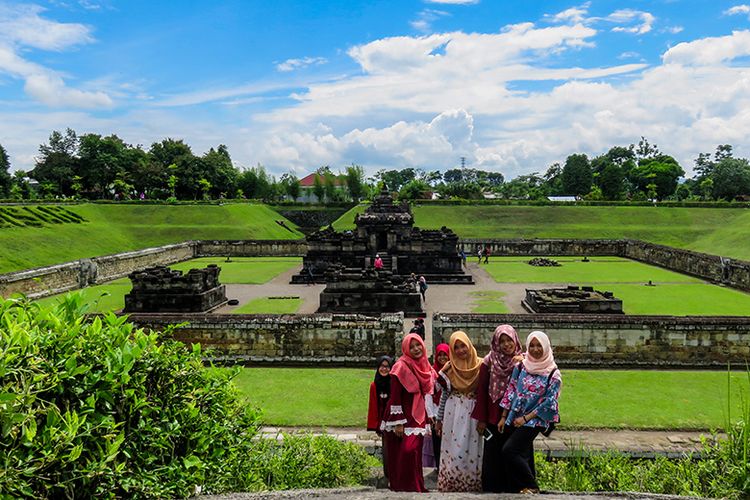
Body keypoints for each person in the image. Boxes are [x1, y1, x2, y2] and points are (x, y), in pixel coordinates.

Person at [499, 331, 562, 494]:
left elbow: (550, 401)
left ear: (546, 347)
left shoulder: (553, 373)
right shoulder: (522, 365)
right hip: (515, 415)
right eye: (532, 345)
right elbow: (511, 389)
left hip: (535, 420)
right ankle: (519, 489)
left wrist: (525, 419)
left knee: (510, 450)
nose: (535, 349)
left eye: (539, 345)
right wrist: (503, 416)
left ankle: (532, 486)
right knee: (523, 453)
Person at [472, 325, 523, 492]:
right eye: (502, 342)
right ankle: (492, 490)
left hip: (516, 417)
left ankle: (516, 489)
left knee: (514, 453)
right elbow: (482, 391)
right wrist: (482, 419)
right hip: (493, 416)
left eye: (509, 340)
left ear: (515, 340)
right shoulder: (489, 361)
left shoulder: (524, 361)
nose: (507, 345)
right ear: (496, 344)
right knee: (493, 454)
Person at [383, 334, 434, 492]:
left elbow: (434, 383)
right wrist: (398, 422)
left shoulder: (424, 365)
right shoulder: (400, 366)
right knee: (404, 451)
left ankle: (416, 486)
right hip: (402, 416)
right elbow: (395, 396)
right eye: (411, 347)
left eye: (418, 345)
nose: (416, 349)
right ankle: (402, 486)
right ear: (405, 349)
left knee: (415, 452)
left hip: (418, 414)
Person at [435, 331, 484, 492]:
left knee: (472, 448)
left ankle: (470, 484)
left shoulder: (481, 366)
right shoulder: (449, 369)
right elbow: (444, 396)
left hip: (474, 413)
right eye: (456, 348)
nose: (461, 350)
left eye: (463, 345)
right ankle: (452, 485)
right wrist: (439, 419)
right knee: (454, 451)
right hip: (453, 413)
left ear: (469, 345)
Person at [367, 355, 393, 483]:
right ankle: (388, 475)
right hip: (383, 422)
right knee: (387, 450)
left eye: (387, 366)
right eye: (382, 366)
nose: (384, 369)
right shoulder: (374, 385)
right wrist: (376, 424)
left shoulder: (394, 382)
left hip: (395, 419)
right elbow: (373, 405)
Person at [426, 343, 450, 472]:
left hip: (450, 409)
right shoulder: (432, 371)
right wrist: (430, 413)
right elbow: (431, 391)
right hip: (436, 409)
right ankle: (439, 466)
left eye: (444, 355)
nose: (442, 358)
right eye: (439, 355)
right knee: (437, 440)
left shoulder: (453, 370)